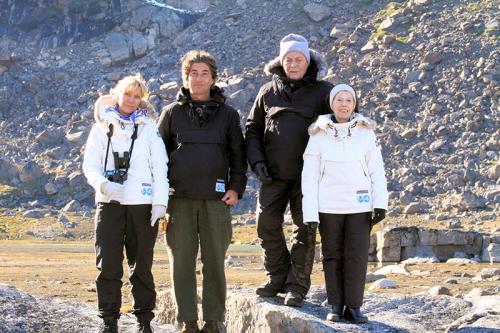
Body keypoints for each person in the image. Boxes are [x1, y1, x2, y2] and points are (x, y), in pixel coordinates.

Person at [157, 50, 247, 333]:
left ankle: (213, 320)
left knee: (214, 262)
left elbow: (238, 157)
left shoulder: (229, 116)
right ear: (185, 77)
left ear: (213, 78)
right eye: (192, 73)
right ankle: (187, 321)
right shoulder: (171, 114)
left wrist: (235, 188)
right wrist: (161, 196)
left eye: (204, 73)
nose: (198, 78)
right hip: (179, 200)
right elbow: (157, 157)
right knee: (181, 262)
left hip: (216, 201)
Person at [245, 33, 333, 307]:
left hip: (308, 177)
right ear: (281, 63)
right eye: (288, 60)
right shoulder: (267, 92)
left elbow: (340, 127)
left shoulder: (324, 92)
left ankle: (297, 286)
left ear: (308, 62)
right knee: (265, 224)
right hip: (272, 174)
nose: (293, 64)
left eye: (299, 59)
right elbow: (252, 129)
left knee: (305, 229)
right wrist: (257, 162)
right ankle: (277, 277)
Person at [82, 75, 169, 333]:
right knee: (108, 263)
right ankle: (109, 320)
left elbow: (160, 169)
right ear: (117, 94)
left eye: (137, 96)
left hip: (142, 205)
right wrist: (103, 185)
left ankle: (144, 321)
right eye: (127, 94)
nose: (131, 100)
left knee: (141, 264)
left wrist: (160, 204)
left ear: (141, 99)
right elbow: (90, 166)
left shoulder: (149, 129)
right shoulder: (100, 128)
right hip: (109, 203)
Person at [301, 84, 388, 323]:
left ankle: (354, 306)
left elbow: (376, 170)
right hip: (329, 207)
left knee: (357, 256)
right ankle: (335, 305)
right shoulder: (317, 135)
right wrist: (310, 215)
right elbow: (309, 177)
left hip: (359, 206)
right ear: (331, 104)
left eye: (348, 100)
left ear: (354, 104)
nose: (344, 104)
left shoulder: (366, 133)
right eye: (339, 99)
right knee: (332, 256)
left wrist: (380, 203)